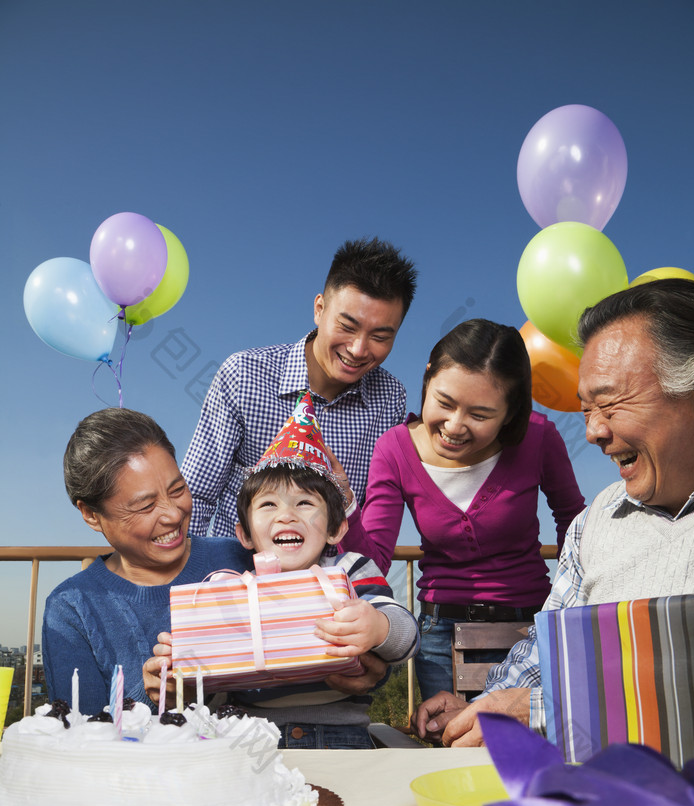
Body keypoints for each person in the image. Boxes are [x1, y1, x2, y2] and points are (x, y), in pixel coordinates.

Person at [412, 279, 694, 747]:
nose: (593, 432)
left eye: (609, 403)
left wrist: (546, 711)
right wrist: (485, 707)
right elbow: (546, 649)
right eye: (586, 409)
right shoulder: (596, 520)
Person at [145, 394, 420, 748]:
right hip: (249, 740)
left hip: (341, 737)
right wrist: (183, 668)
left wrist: (379, 627)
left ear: (336, 529)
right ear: (243, 534)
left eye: (305, 503)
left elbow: (408, 638)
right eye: (269, 504)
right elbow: (216, 690)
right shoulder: (230, 589)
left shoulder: (351, 569)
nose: (286, 515)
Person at [331, 319, 584, 699]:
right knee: (453, 749)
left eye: (479, 415)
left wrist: (562, 610)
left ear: (511, 413)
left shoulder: (539, 438)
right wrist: (347, 503)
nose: (454, 426)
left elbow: (574, 524)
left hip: (531, 630)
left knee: (527, 747)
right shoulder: (394, 449)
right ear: (427, 377)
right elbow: (375, 561)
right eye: (444, 403)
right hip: (440, 638)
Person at [181, 236, 418, 536]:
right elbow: (197, 497)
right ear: (319, 309)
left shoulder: (390, 398)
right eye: (347, 326)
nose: (358, 349)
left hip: (331, 579)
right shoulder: (243, 375)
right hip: (240, 575)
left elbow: (374, 515)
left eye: (380, 337)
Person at [42, 408, 252, 716]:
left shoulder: (238, 558)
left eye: (178, 489)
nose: (173, 514)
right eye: (145, 505)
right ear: (90, 514)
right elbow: (82, 739)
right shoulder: (70, 609)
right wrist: (151, 699)